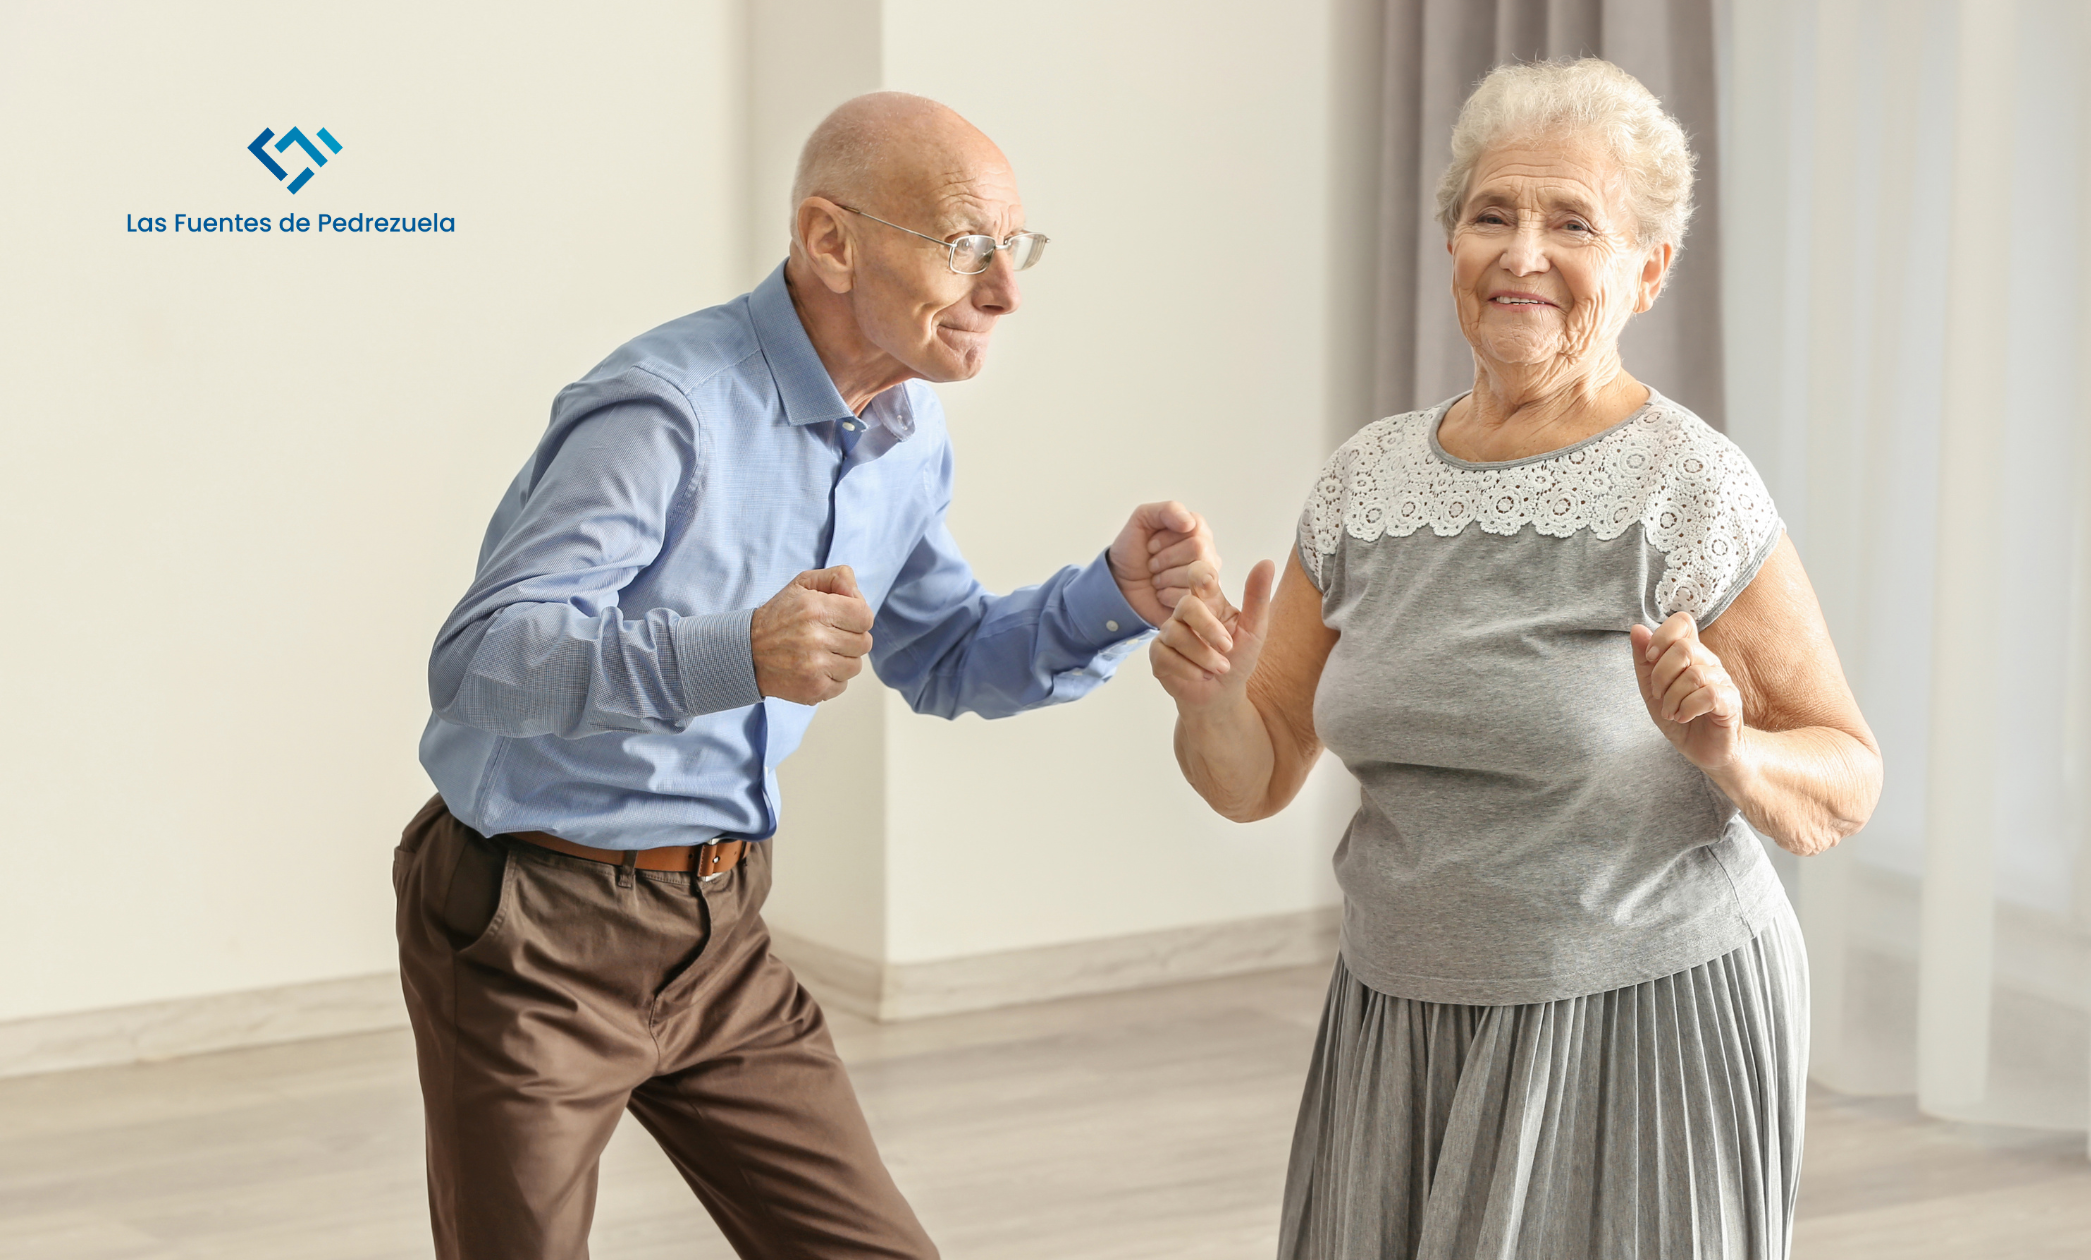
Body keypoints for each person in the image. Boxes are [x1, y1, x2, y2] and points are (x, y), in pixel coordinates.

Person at [394, 92, 1222, 1260]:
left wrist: (1111, 598)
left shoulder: (905, 428)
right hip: (535, 921)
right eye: (964, 246)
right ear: (832, 241)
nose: (1005, 292)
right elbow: (480, 663)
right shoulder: (663, 410)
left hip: (722, 928)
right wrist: (736, 652)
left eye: (1014, 247)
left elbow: (938, 654)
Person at [1151, 59, 1882, 1259]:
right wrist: (1210, 701)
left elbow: (1842, 778)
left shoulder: (1684, 485)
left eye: (1571, 223)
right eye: (1490, 213)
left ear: (1645, 269)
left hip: (1636, 1014)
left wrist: (1727, 749)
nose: (1520, 252)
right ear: (1449, 245)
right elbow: (1254, 773)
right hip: (1396, 1017)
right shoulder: (1364, 482)